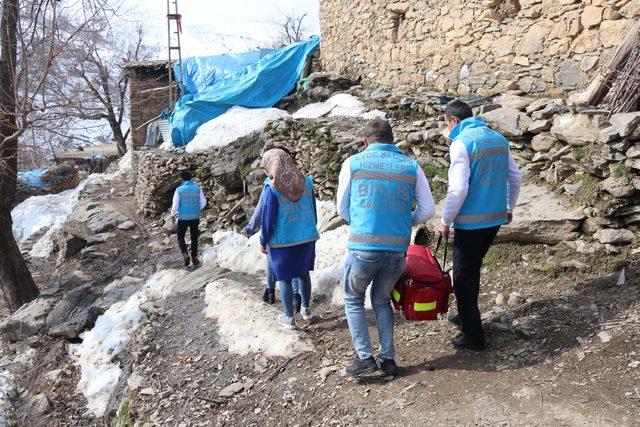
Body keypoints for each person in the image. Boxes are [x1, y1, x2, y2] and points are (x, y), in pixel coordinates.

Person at [337, 118, 436, 376]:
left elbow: (342, 208)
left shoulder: (353, 163)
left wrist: (361, 223)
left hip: (363, 249)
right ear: (393, 141)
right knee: (382, 301)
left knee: (353, 298)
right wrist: (405, 223)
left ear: (365, 142)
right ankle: (388, 359)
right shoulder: (411, 166)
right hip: (397, 251)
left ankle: (364, 357)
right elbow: (428, 210)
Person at [439, 100, 521, 351]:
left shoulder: (461, 143)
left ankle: (473, 335)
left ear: (454, 121)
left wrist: (445, 220)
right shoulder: (497, 138)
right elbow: (515, 177)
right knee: (471, 269)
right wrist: (509, 208)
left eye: (445, 123)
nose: (446, 128)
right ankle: (465, 314)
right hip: (494, 219)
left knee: (463, 276)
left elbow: (458, 188)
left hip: (471, 223)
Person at [259, 149, 319, 330]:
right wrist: (310, 228)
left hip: (283, 240)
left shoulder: (272, 187)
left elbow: (267, 219)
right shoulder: (307, 182)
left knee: (284, 279)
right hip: (307, 236)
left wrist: (263, 241)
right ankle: (307, 310)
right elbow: (313, 209)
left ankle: (289, 318)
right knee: (303, 274)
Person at [244, 175, 302, 308]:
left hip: (278, 231)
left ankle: (270, 291)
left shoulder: (269, 185)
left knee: (271, 260)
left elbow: (262, 211)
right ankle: (296, 295)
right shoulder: (298, 179)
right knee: (294, 263)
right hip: (297, 229)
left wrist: (250, 228)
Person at [171, 170, 207, 267]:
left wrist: (172, 216)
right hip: (195, 216)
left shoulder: (179, 190)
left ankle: (185, 254)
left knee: (180, 236)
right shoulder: (197, 188)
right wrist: (196, 208)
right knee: (194, 237)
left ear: (181, 179)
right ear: (191, 178)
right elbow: (203, 202)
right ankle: (194, 258)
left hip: (183, 217)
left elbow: (175, 205)